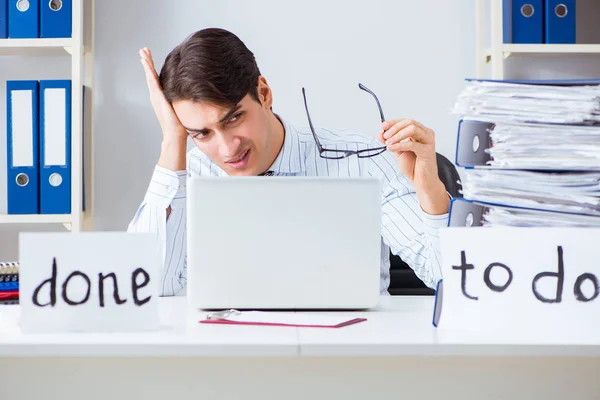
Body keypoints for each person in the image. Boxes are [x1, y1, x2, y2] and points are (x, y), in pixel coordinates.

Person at [127, 28, 450, 297]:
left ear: (264, 93)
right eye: (201, 133)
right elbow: (148, 290)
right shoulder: (189, 176)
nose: (227, 148)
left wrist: (429, 190)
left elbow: (447, 278)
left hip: (348, 356)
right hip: (229, 360)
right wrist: (174, 139)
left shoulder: (363, 161)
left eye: (234, 118)